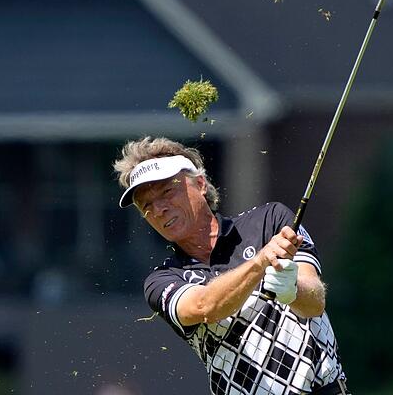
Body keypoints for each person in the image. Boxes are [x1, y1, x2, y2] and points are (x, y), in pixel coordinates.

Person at [114, 136, 349, 395]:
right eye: (146, 206)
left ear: (200, 184)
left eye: (167, 192)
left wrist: (292, 289)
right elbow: (205, 307)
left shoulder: (270, 220)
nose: (159, 209)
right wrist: (260, 262)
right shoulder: (162, 280)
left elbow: (315, 302)